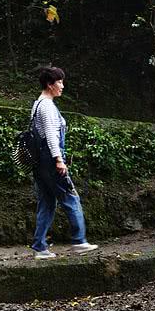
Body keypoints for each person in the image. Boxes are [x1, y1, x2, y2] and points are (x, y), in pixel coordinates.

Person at [30, 66, 98, 259]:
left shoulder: (37, 104)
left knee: (47, 203)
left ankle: (39, 246)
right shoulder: (47, 106)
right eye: (59, 82)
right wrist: (59, 159)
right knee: (70, 197)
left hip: (39, 161)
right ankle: (79, 241)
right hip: (51, 160)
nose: (62, 86)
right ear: (50, 85)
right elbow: (52, 136)